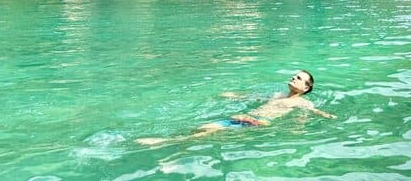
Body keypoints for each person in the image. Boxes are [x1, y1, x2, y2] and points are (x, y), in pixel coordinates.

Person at [137, 70, 335, 145]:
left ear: (306, 87)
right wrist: (233, 96)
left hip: (257, 123)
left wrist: (327, 116)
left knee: (206, 132)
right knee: (204, 128)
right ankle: (172, 140)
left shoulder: (301, 102)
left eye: (299, 78)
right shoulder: (278, 95)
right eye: (294, 75)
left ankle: (164, 141)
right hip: (243, 119)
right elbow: (254, 96)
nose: (293, 78)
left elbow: (311, 113)